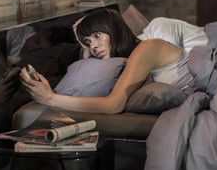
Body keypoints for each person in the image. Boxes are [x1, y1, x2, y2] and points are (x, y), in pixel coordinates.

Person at [20, 8, 194, 114]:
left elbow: (113, 105)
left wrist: (50, 98)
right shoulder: (127, 59)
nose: (94, 46)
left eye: (97, 36)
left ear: (115, 30)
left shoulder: (147, 48)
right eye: (88, 42)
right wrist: (85, 48)